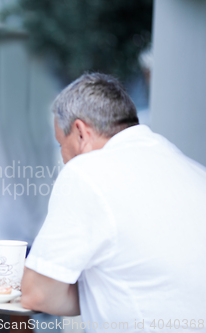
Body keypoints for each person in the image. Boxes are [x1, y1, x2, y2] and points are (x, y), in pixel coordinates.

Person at [21, 73, 206, 331]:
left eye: (60, 144)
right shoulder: (193, 170)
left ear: (81, 133)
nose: (63, 158)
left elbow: (38, 294)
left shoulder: (86, 171)